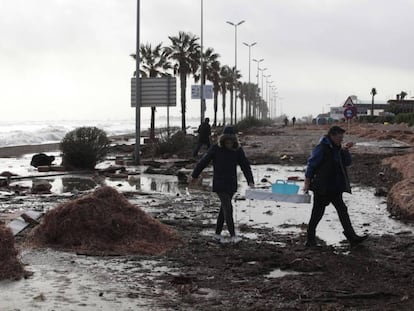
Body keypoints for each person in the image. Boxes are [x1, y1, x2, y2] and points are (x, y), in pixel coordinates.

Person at [303, 125, 368, 247]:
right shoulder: (321, 148)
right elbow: (311, 165)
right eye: (339, 137)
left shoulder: (338, 148)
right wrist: (307, 182)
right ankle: (310, 239)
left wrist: (345, 151)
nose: (341, 139)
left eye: (342, 137)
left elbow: (347, 163)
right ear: (332, 135)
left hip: (335, 187)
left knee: (342, 210)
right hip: (322, 187)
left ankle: (352, 237)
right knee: (317, 213)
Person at [191, 126, 255, 243]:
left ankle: (217, 234)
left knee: (223, 209)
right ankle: (233, 235)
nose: (229, 143)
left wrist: (250, 181)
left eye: (231, 141)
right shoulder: (215, 148)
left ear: (234, 141)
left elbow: (245, 165)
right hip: (219, 183)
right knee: (228, 208)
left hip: (231, 183)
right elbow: (204, 161)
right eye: (227, 141)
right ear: (223, 140)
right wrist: (194, 175)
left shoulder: (237, 150)